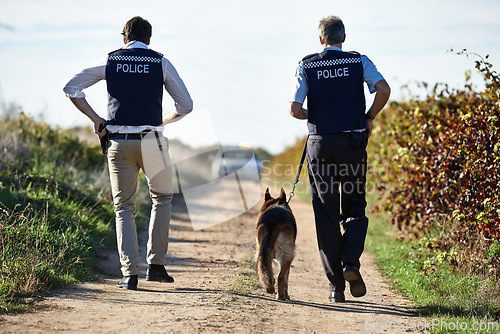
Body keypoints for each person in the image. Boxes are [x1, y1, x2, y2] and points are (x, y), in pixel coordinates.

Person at [63, 16, 193, 290]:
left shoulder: (110, 61)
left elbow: (71, 88)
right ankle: (156, 266)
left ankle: (128, 274)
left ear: (124, 39)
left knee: (124, 207)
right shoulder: (160, 62)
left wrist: (96, 119)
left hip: (119, 143)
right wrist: (164, 120)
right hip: (153, 142)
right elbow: (186, 105)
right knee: (163, 200)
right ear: (149, 39)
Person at [289, 16, 390, 302]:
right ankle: (350, 262)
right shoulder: (359, 61)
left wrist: (317, 116)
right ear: (343, 38)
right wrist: (369, 117)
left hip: (321, 145)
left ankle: (336, 288)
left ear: (321, 39)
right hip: (353, 142)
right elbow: (384, 90)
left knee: (326, 212)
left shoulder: (307, 64)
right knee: (355, 206)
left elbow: (295, 109)